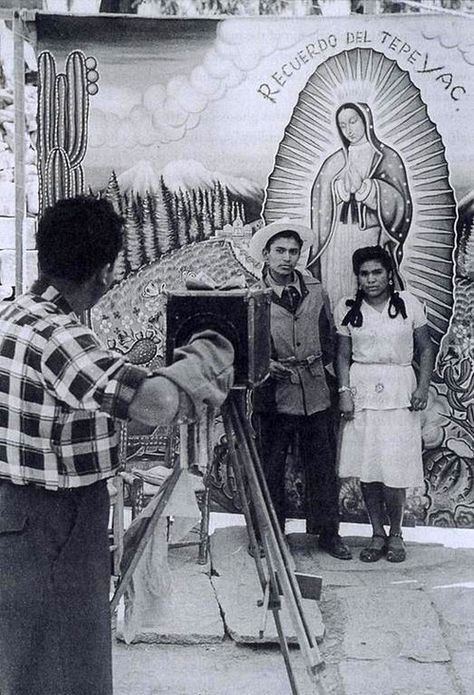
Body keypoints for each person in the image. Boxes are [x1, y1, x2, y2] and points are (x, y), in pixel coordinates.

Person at [0, 196, 234, 695]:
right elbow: (153, 404)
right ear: (106, 273)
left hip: (15, 515)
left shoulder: (15, 312)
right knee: (71, 662)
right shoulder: (59, 336)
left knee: (24, 658)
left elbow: (90, 382)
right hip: (56, 520)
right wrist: (208, 350)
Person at [249, 219, 351, 560]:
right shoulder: (252, 295)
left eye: (294, 251)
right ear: (265, 254)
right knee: (271, 468)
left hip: (316, 392)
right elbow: (242, 344)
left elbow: (329, 336)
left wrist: (329, 377)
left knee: (321, 466)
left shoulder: (317, 291)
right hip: (274, 396)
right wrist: (263, 365)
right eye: (280, 251)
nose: (287, 258)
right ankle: (271, 535)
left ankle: (328, 534)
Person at [335, 245, 434, 563]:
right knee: (369, 467)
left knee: (394, 468)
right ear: (358, 278)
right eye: (364, 274)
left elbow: (426, 349)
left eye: (377, 272)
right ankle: (376, 534)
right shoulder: (347, 307)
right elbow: (341, 354)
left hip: (399, 390)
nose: (371, 279)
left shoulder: (409, 304)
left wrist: (422, 386)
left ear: (389, 274)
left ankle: (396, 535)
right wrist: (344, 391)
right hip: (362, 390)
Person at [309, 102, 412, 311]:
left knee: (367, 289)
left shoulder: (386, 157)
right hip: (337, 239)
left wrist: (369, 189)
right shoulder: (335, 161)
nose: (349, 130)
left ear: (366, 121)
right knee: (338, 292)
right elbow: (320, 197)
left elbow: (399, 201)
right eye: (343, 125)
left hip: (368, 236)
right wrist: (338, 189)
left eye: (353, 121)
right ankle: (339, 337)